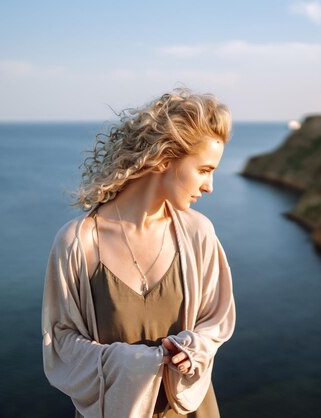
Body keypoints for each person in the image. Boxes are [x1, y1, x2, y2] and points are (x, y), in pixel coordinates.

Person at [41, 89, 236, 418]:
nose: (210, 186)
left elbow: (215, 322)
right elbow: (60, 343)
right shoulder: (78, 242)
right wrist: (133, 362)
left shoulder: (198, 233)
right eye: (204, 170)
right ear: (163, 158)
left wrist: (193, 350)